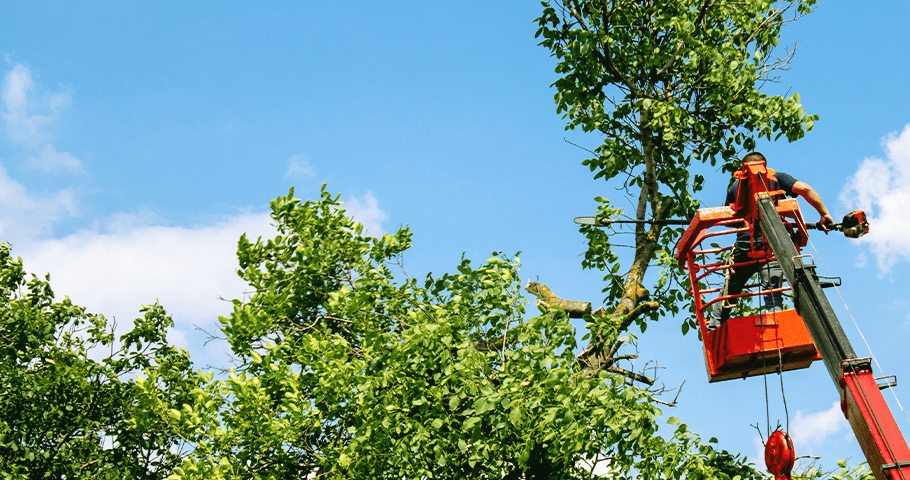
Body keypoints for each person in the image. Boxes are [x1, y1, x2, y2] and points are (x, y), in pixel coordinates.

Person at [707, 152, 834, 332]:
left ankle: (714, 330)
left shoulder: (736, 187)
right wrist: (823, 213)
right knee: (773, 293)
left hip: (745, 246)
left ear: (742, 169)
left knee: (729, 292)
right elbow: (805, 189)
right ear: (765, 165)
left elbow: (728, 218)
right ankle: (778, 331)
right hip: (773, 246)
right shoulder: (778, 178)